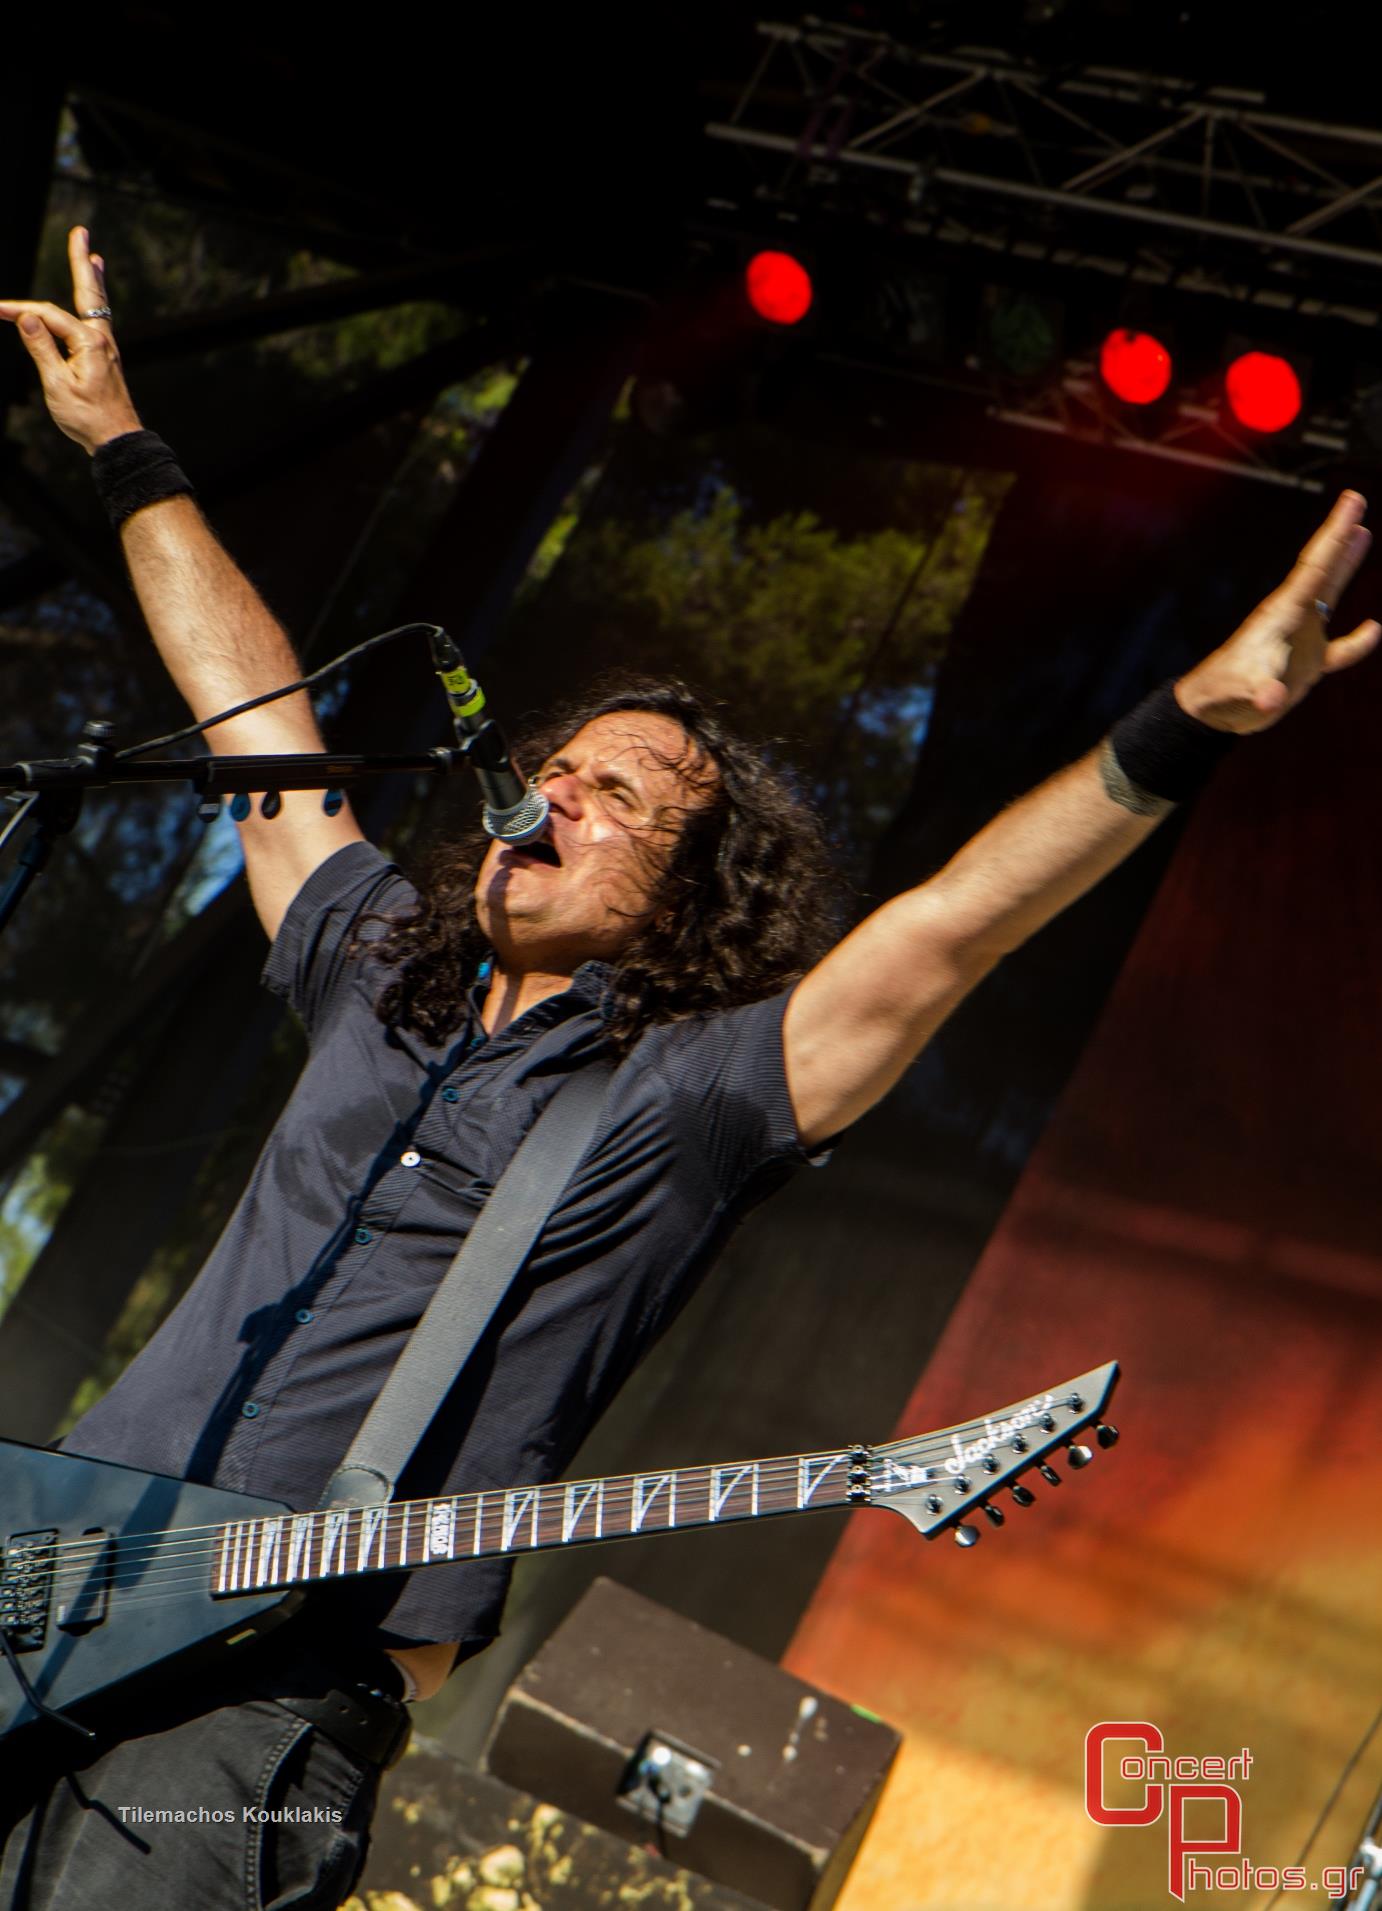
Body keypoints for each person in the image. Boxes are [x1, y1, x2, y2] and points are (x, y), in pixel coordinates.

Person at [0, 227, 1375, 1909]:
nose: (555, 796)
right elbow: (254, 714)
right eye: (555, 767)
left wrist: (1187, 724)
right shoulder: (379, 971)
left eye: (619, 797)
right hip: (41, 1594)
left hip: (256, 1703)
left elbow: (948, 930)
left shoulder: (693, 1093)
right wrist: (122, 443)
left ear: (683, 895)